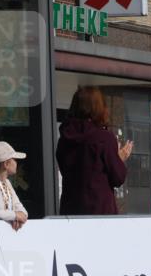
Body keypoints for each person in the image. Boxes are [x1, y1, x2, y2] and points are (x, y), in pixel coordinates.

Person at [56, 87, 133, 215]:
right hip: (99, 213)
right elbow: (118, 178)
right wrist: (119, 159)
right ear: (98, 108)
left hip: (70, 211)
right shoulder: (103, 138)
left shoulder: (65, 139)